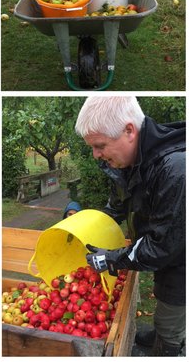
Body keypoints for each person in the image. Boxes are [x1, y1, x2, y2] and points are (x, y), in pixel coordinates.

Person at [75, 97, 185, 356]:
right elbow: (115, 206)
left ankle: (168, 346)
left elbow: (162, 248)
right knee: (162, 289)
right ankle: (159, 332)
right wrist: (82, 229)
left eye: (100, 146)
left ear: (129, 130)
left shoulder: (176, 170)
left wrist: (113, 259)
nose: (95, 155)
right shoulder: (127, 160)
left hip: (182, 257)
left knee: (174, 300)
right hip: (167, 246)